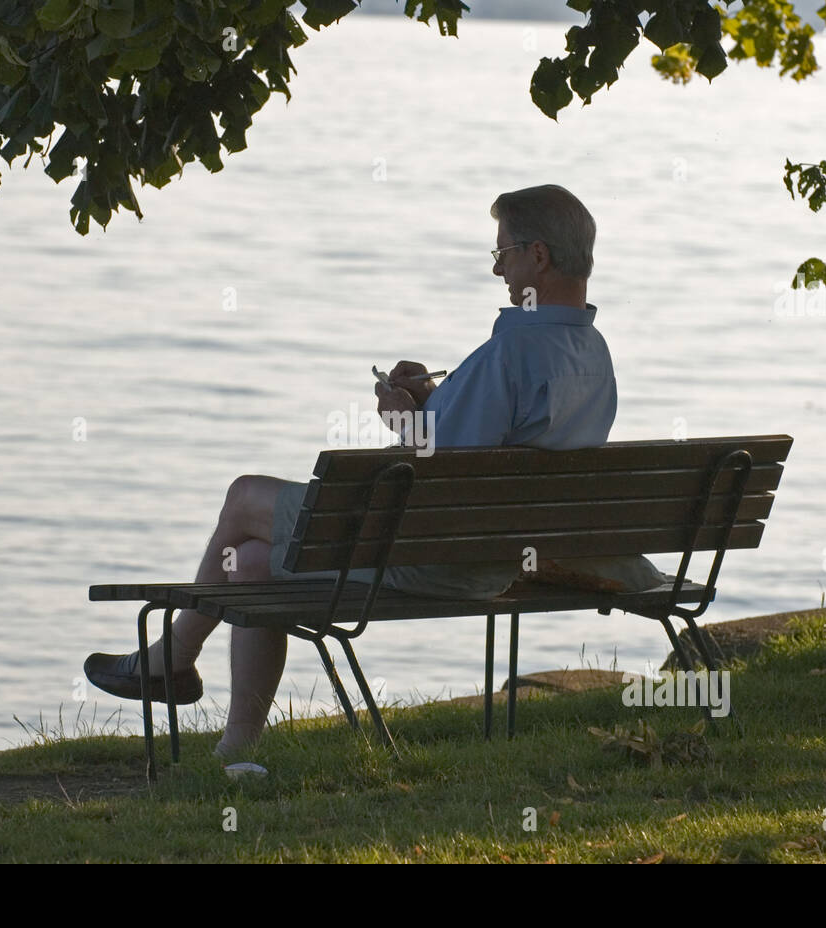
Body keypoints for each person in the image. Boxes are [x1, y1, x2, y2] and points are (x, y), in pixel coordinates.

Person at [84, 184, 617, 761]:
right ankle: (234, 751)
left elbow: (441, 472)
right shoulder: (593, 355)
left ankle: (171, 659)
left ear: (537, 255)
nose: (500, 273)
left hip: (436, 561)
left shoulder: (510, 354)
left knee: (243, 500)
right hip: (503, 558)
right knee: (253, 564)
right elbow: (494, 455)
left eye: (503, 255)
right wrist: (436, 404)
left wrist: (404, 422)